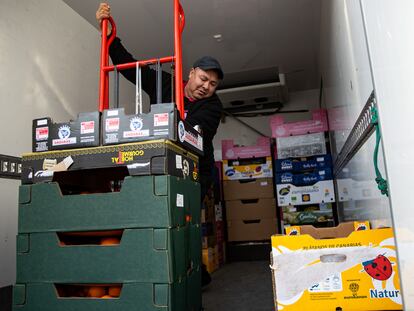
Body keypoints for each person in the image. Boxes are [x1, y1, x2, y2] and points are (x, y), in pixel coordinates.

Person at [96, 3, 223, 288]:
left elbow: (194, 133)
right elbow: (129, 67)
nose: (206, 87)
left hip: (195, 170)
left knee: (185, 220)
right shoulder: (165, 84)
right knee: (157, 215)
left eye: (212, 84)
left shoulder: (213, 106)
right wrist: (108, 34)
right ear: (191, 73)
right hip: (161, 162)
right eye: (204, 79)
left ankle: (193, 270)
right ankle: (159, 265)